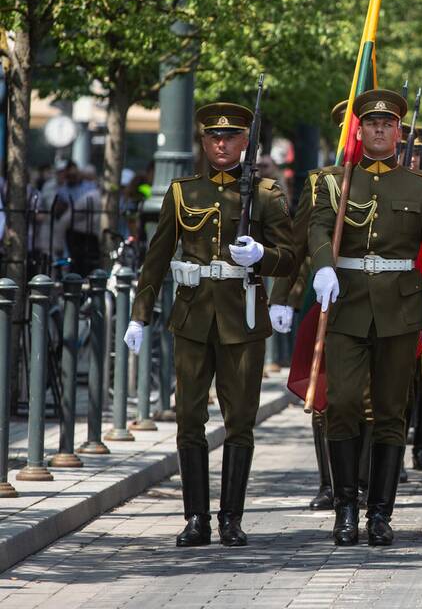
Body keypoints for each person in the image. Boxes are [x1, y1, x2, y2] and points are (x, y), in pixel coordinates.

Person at [125, 102, 296, 547]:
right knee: (188, 419)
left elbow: (291, 257)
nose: (222, 143)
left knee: (240, 421)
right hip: (193, 318)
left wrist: (262, 256)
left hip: (243, 318)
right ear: (203, 142)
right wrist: (140, 315)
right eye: (214, 137)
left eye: (231, 136)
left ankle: (231, 519)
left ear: (245, 142)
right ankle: (197, 517)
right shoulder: (184, 192)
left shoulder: (266, 193)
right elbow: (157, 258)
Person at [309, 89, 422, 546]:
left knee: (392, 412)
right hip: (347, 305)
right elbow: (315, 227)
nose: (379, 129)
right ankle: (345, 505)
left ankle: (379, 513)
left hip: (400, 308)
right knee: (345, 403)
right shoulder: (332, 180)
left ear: (398, 132)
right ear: (360, 129)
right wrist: (323, 267)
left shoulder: (421, 187)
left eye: (387, 124)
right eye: (371, 123)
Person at [268, 103, 343, 512]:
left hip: (381, 302)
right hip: (325, 300)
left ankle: (361, 479)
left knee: (370, 401)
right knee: (322, 394)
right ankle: (328, 482)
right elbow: (296, 245)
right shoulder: (321, 183)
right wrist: (282, 298)